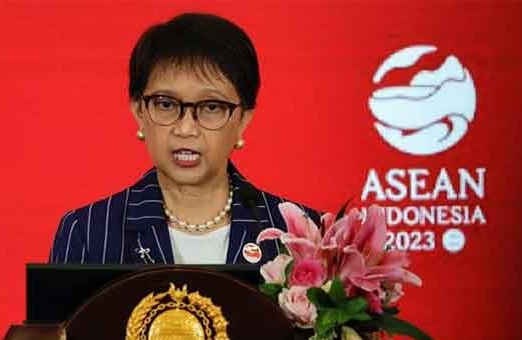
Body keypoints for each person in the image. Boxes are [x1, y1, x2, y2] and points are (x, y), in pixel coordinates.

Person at [49, 12, 320, 266]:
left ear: (243, 120)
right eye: (166, 104)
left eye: (211, 107)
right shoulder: (88, 232)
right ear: (139, 112)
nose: (186, 128)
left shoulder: (301, 234)